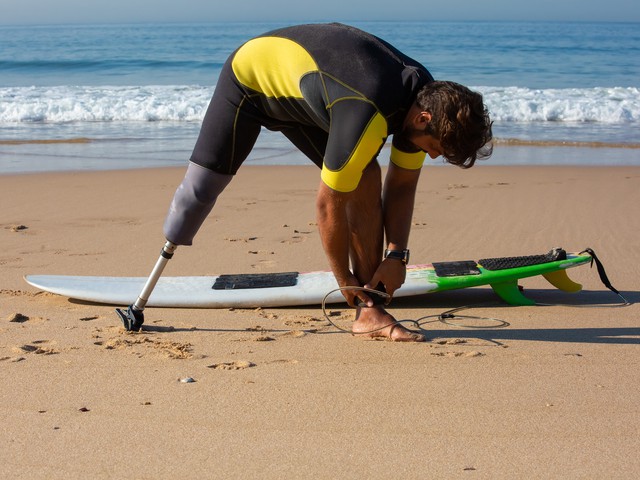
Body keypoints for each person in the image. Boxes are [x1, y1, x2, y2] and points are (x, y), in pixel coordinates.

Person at [121, 22, 493, 341]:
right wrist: (341, 277)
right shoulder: (369, 111)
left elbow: (400, 187)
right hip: (251, 79)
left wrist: (397, 255)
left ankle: (370, 312)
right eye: (436, 149)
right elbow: (328, 203)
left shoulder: (425, 100)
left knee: (364, 174)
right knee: (200, 190)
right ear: (423, 119)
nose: (432, 157)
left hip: (316, 95)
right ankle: (145, 291)